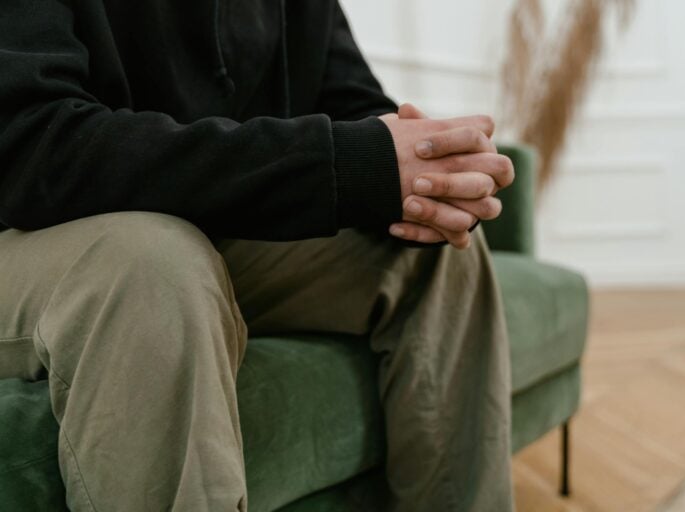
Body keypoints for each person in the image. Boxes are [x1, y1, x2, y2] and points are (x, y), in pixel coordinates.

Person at [0, 1, 515, 511]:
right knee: (152, 268)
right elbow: (32, 146)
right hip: (29, 238)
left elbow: (350, 100)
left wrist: (429, 178)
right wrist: (342, 164)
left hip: (200, 229)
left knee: (429, 246)